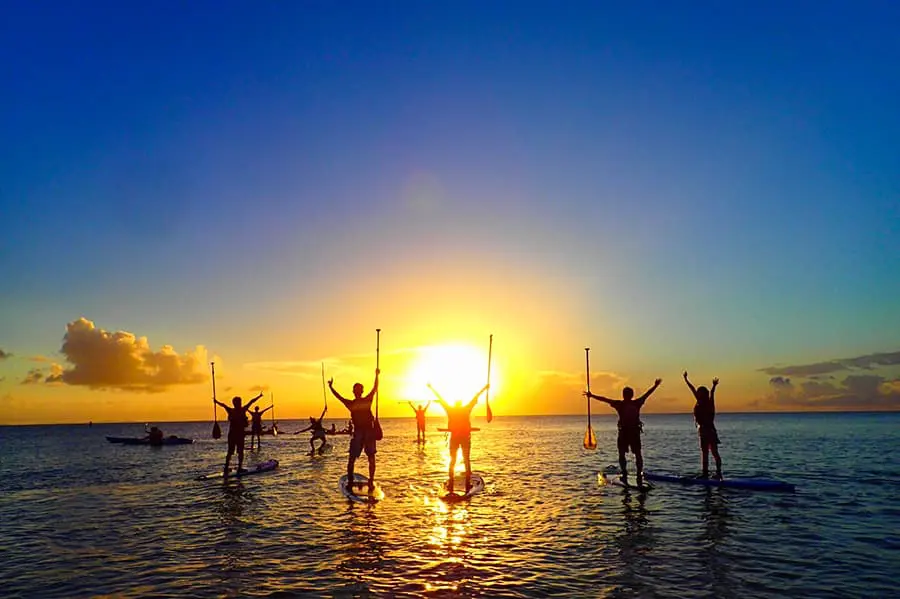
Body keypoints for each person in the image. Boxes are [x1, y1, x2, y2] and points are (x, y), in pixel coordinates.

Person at [585, 378, 662, 489]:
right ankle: (636, 472)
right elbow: (647, 394)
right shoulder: (634, 403)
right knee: (635, 454)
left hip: (627, 433)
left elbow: (605, 399)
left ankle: (628, 472)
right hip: (631, 433)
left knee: (625, 454)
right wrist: (655, 385)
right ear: (631, 395)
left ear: (624, 395)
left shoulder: (623, 404)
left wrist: (592, 396)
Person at [429, 382, 489, 493]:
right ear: (460, 404)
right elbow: (476, 397)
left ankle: (452, 483)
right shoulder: (465, 409)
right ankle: (466, 484)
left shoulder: (451, 409)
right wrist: (484, 388)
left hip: (456, 438)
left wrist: (431, 388)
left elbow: (440, 398)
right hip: (464, 438)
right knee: (466, 460)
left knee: (453, 460)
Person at [328, 369, 380, 494]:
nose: (357, 392)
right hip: (362, 433)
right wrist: (331, 387)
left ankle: (366, 481)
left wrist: (376, 375)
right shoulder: (357, 402)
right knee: (361, 458)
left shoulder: (358, 402)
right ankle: (358, 481)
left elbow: (375, 388)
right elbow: (375, 388)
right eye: (356, 390)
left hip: (366, 433)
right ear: (357, 391)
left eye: (358, 390)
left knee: (364, 458)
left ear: (359, 391)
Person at [683, 371, 722, 479]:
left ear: (704, 394)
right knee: (704, 453)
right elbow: (692, 389)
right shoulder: (699, 402)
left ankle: (718, 473)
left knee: (714, 452)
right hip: (702, 432)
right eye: (698, 393)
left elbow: (712, 393)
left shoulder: (709, 403)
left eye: (700, 393)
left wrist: (714, 386)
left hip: (710, 431)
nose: (698, 394)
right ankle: (705, 474)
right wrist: (686, 380)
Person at [214, 393, 264, 477]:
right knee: (235, 452)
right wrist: (216, 402)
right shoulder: (239, 410)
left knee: (234, 452)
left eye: (239, 402)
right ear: (236, 403)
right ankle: (234, 467)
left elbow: (223, 405)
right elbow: (251, 401)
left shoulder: (235, 410)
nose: (240, 404)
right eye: (239, 402)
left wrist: (216, 402)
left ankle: (228, 467)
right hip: (237, 434)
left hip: (235, 434)